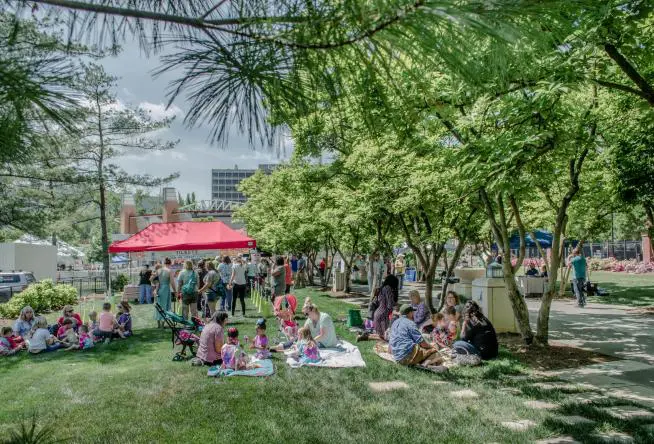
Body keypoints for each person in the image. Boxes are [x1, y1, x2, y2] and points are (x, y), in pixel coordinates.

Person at [154, 258, 175, 328]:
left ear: (164, 263)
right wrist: (175, 291)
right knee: (165, 306)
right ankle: (163, 324)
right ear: (170, 263)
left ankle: (158, 324)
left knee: (159, 305)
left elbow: (152, 279)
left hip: (159, 288)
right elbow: (172, 282)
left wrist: (156, 287)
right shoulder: (170, 271)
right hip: (165, 289)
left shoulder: (158, 270)